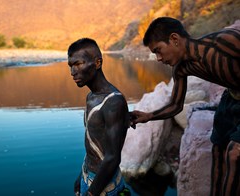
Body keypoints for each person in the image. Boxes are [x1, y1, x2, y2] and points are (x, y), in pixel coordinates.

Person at [130, 17, 240, 196]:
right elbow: (175, 105)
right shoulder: (181, 69)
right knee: (218, 147)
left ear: (174, 39)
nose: (158, 58)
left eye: (158, 51)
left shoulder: (224, 43)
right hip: (231, 98)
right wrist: (148, 116)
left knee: (235, 153)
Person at [68, 38, 131, 196]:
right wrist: (81, 176)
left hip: (104, 187)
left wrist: (91, 193)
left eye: (78, 64)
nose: (72, 72)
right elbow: (94, 141)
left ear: (97, 63)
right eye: (71, 66)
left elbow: (112, 157)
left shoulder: (113, 102)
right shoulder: (91, 97)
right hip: (88, 176)